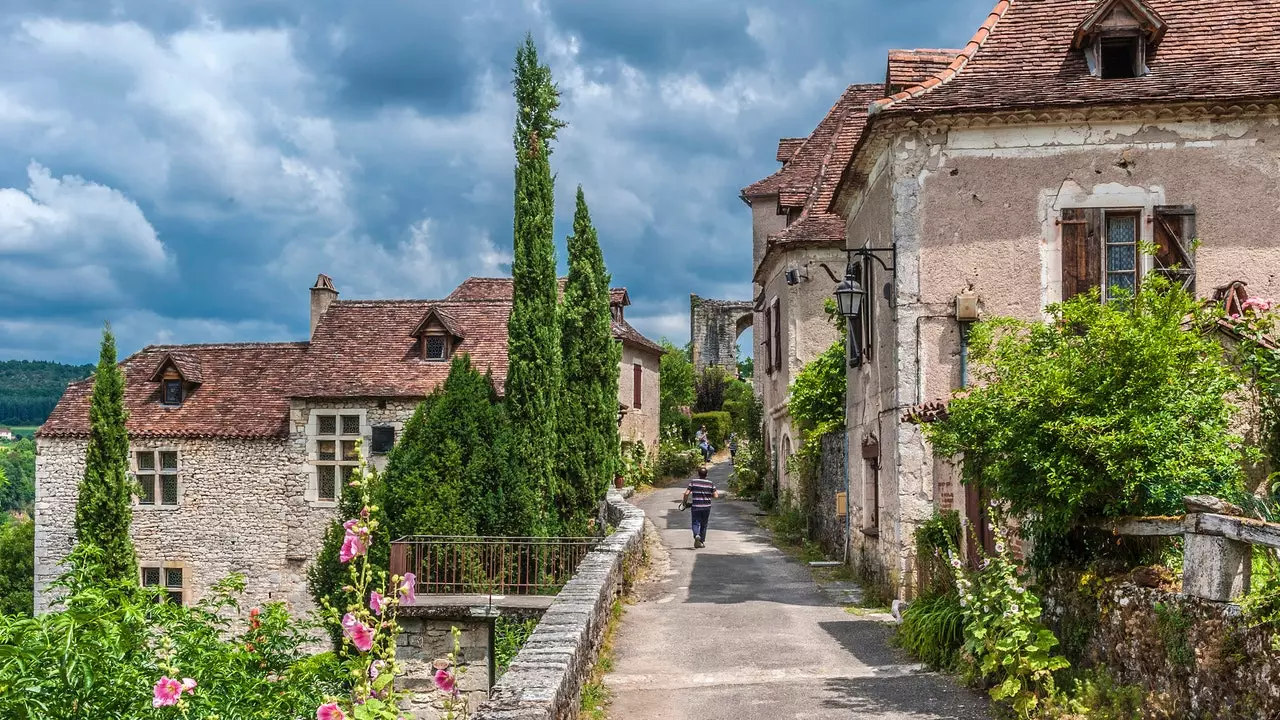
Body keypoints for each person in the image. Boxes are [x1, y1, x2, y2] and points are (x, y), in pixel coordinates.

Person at [684, 465, 719, 548]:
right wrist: (708, 495)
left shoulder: (693, 482)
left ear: (698, 474)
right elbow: (716, 495)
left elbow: (686, 493)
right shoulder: (710, 483)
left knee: (695, 522)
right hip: (707, 507)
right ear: (706, 475)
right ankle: (701, 541)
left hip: (696, 506)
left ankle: (696, 535)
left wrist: (685, 502)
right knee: (704, 524)